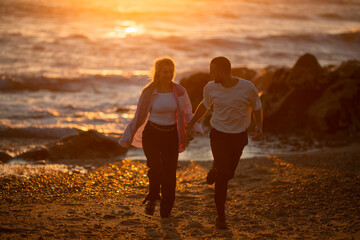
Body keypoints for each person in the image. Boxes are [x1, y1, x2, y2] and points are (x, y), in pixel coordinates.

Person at [119, 57, 203, 218]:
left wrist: (193, 128)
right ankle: (153, 196)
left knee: (170, 173)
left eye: (171, 71)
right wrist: (126, 139)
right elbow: (138, 116)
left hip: (171, 135)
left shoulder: (179, 91)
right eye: (165, 72)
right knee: (156, 167)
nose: (169, 75)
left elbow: (187, 113)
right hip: (151, 134)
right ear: (158, 73)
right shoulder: (149, 91)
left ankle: (166, 210)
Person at [186, 56, 263, 229]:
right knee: (223, 175)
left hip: (239, 136)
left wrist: (259, 127)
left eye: (213, 71)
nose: (210, 74)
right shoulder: (211, 87)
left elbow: (257, 107)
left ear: (222, 71)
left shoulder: (247, 87)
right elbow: (205, 105)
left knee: (228, 174)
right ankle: (221, 217)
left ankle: (215, 167)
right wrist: (191, 124)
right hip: (218, 135)